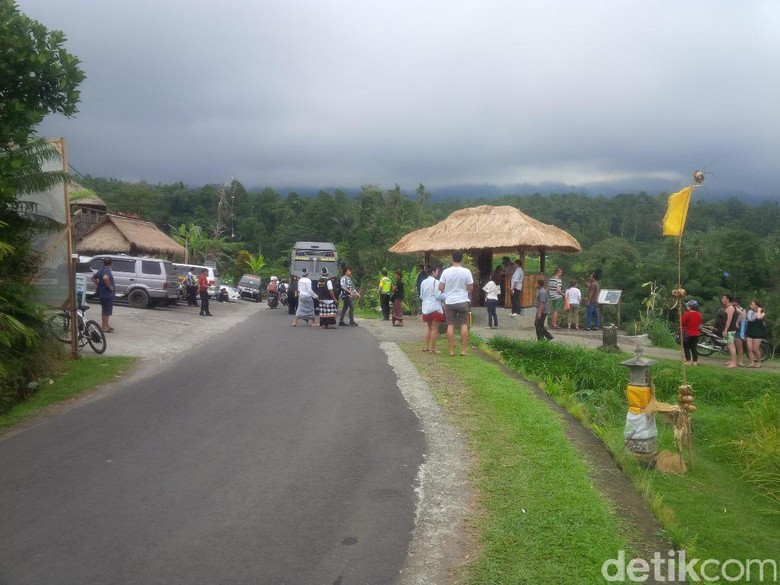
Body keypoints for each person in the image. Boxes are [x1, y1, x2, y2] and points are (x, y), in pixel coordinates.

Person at [438, 251, 474, 356]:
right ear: (462, 259)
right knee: (464, 324)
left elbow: (440, 287)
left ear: (451, 259)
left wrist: (447, 290)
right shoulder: (466, 271)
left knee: (450, 324)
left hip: (449, 301)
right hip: (462, 301)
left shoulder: (446, 272)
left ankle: (451, 350)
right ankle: (463, 350)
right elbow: (470, 288)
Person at [420, 265, 445, 353]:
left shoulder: (423, 282)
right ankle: (433, 349)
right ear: (433, 272)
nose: (438, 273)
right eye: (437, 271)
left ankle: (426, 346)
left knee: (429, 328)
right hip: (435, 308)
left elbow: (421, 296)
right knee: (435, 329)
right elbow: (438, 296)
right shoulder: (436, 282)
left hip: (426, 308)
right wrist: (445, 294)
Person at [93, 257, 115, 332]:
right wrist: (110, 287)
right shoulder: (107, 271)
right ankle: (104, 327)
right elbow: (105, 278)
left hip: (102, 294)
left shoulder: (101, 270)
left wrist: (99, 285)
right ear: (111, 264)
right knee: (106, 311)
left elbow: (93, 278)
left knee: (105, 310)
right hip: (107, 294)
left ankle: (106, 325)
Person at [745, 300, 768, 368]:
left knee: (755, 349)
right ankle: (751, 362)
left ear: (757, 306)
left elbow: (758, 317)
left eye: (752, 304)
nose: (750, 305)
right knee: (749, 348)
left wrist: (759, 310)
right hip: (750, 332)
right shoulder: (750, 312)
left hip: (758, 333)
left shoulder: (762, 313)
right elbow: (750, 319)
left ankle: (759, 362)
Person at [681, 300, 703, 366]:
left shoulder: (687, 314)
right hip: (696, 334)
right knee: (694, 348)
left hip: (688, 333)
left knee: (686, 347)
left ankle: (688, 361)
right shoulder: (699, 314)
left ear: (690, 307)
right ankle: (695, 362)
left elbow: (682, 322)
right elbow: (699, 322)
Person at [720, 294, 738, 368]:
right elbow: (740, 313)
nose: (722, 299)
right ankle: (732, 361)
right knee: (729, 345)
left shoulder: (730, 307)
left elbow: (729, 320)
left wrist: (725, 330)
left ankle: (734, 363)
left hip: (730, 329)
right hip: (730, 329)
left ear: (727, 299)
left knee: (731, 346)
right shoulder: (732, 307)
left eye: (723, 298)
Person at [733, 297, 747, 367]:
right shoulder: (732, 308)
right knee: (732, 346)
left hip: (739, 330)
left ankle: (740, 361)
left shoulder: (743, 310)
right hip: (732, 329)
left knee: (739, 346)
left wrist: (737, 322)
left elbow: (743, 320)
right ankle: (733, 360)